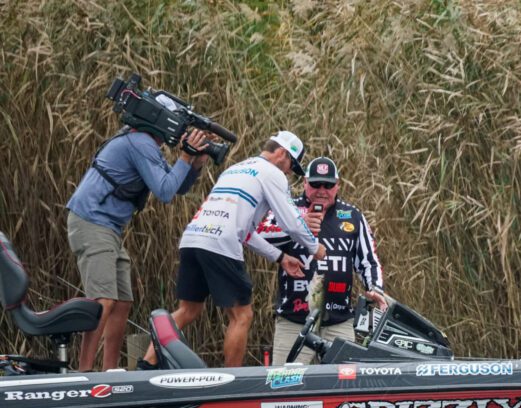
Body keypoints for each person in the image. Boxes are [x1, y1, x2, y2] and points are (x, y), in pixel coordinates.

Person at [138, 131, 327, 369]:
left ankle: (146, 365)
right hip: (220, 244)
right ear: (282, 153)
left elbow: (245, 232)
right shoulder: (272, 174)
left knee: (188, 310)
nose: (289, 171)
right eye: (291, 164)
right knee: (242, 316)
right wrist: (315, 247)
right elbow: (291, 223)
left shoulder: (236, 168)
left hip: (193, 239)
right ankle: (232, 378)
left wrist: (280, 257)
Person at [67, 95, 209, 372]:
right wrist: (184, 155)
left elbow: (175, 185)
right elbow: (166, 192)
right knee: (103, 300)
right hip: (92, 220)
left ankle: (111, 373)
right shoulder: (140, 142)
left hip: (107, 227)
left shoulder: (142, 142)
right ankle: (83, 374)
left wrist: (195, 163)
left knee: (121, 302)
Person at [248, 156, 386, 365]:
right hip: (294, 319)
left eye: (328, 185)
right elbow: (255, 234)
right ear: (304, 183)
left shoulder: (352, 215)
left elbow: (368, 260)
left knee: (344, 386)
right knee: (285, 387)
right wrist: (296, 226)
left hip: (339, 320)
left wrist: (374, 288)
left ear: (337, 186)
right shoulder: (287, 208)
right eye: (315, 184)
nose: (322, 190)